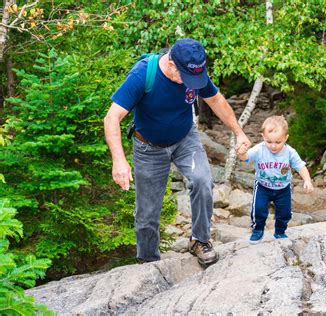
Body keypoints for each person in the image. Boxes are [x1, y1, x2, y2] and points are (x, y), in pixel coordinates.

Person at [104, 38, 251, 266]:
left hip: (185, 139)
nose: (191, 83)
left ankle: (199, 240)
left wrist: (239, 133)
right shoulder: (143, 74)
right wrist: (119, 160)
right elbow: (112, 117)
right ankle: (149, 262)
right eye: (186, 77)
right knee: (147, 215)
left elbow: (216, 100)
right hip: (148, 147)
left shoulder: (193, 72)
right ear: (172, 64)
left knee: (202, 181)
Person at [236, 115, 314, 243]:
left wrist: (307, 180)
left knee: (285, 213)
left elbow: (301, 166)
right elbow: (245, 158)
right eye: (269, 141)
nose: (273, 146)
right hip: (262, 186)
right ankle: (258, 230)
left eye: (278, 142)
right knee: (259, 209)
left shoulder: (290, 152)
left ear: (285, 138)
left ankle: (280, 231)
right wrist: (241, 152)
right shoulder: (259, 150)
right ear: (263, 137)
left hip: (283, 189)